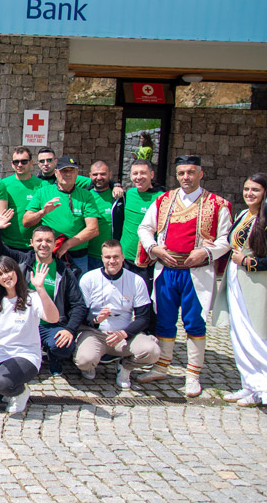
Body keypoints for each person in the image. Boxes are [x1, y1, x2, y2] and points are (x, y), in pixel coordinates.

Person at [137, 155, 232, 397]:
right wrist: (154, 248)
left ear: (200, 174)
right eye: (181, 173)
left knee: (194, 321)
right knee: (165, 319)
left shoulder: (216, 203)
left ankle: (192, 374)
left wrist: (205, 252)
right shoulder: (164, 200)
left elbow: (225, 239)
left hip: (196, 273)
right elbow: (145, 228)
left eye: (190, 172)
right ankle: (162, 365)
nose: (186, 178)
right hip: (167, 270)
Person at [0, 219, 89, 376]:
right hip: (22, 322)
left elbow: (79, 305)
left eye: (48, 240)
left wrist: (69, 330)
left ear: (55, 243)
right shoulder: (22, 262)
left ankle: (53, 355)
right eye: (39, 240)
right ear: (32, 243)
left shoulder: (64, 271)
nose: (44, 244)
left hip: (50, 325)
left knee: (63, 346)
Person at [0, 257, 59, 414]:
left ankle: (20, 392)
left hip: (24, 355)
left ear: (16, 272)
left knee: (2, 382)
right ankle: (6, 389)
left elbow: (53, 318)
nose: (5, 277)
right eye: (0, 274)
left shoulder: (31, 297)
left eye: (8, 271)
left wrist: (41, 289)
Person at [74, 240, 160, 388]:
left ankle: (125, 366)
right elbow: (79, 312)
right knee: (84, 360)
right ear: (102, 258)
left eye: (116, 257)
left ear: (122, 257)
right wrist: (95, 319)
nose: (112, 261)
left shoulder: (136, 281)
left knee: (152, 351)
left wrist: (124, 333)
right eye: (108, 257)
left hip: (124, 334)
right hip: (95, 333)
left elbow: (144, 318)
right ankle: (90, 365)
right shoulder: (89, 278)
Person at [214, 173, 267, 407]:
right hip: (236, 278)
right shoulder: (243, 214)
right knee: (239, 334)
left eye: (255, 190)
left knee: (256, 334)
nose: (249, 194)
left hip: (257, 283)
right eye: (246, 189)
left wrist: (247, 262)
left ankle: (263, 386)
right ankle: (249, 384)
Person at [23, 156, 100, 273]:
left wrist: (67, 245)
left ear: (77, 173)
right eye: (64, 171)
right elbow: (26, 221)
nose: (67, 174)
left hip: (78, 256)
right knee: (49, 288)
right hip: (50, 255)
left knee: (78, 289)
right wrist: (43, 212)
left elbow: (93, 229)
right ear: (56, 173)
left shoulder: (86, 195)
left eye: (71, 171)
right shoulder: (43, 192)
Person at [112, 159, 163, 296]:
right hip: (125, 257)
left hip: (147, 259)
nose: (138, 177)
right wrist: (115, 185)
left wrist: (158, 251)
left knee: (146, 301)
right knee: (123, 299)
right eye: (135, 173)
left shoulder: (162, 198)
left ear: (152, 175)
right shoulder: (128, 194)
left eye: (143, 173)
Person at [0, 146, 45, 251]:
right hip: (7, 244)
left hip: (33, 245)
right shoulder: (3, 184)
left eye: (24, 161)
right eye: (16, 162)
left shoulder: (42, 186)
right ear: (12, 164)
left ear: (31, 162)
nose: (20, 165)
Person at [86, 161, 117, 271]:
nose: (99, 177)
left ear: (110, 174)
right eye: (95, 174)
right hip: (88, 255)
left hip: (112, 257)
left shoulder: (119, 198)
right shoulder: (84, 196)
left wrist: (117, 185)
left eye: (103, 174)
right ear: (90, 176)